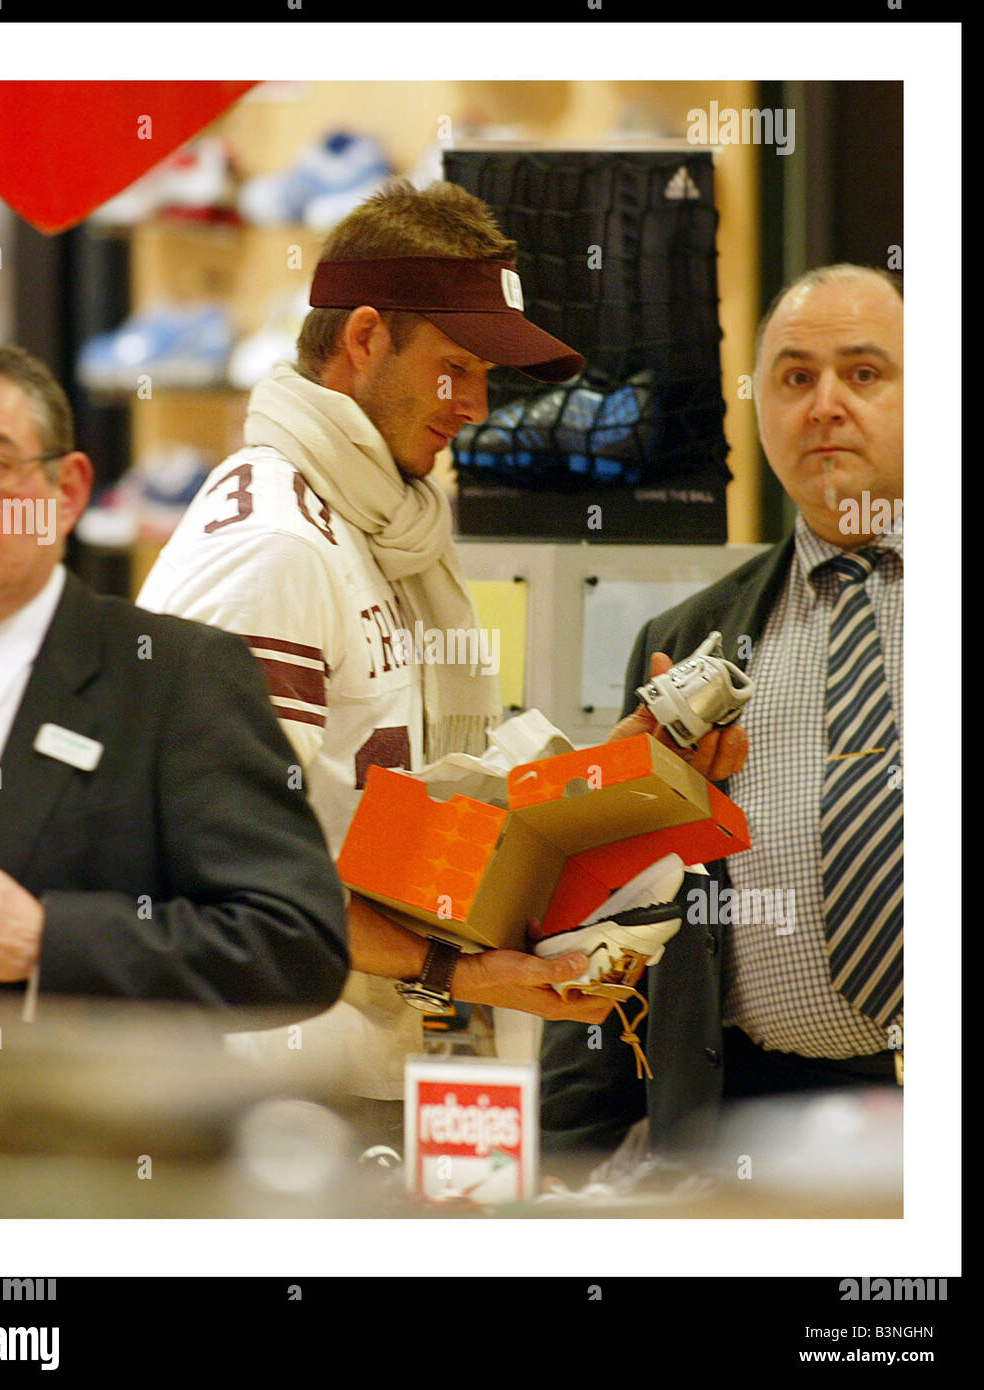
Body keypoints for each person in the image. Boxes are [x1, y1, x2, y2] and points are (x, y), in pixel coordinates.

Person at [138, 178, 627, 1122]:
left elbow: (407, 806)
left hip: (380, 1065)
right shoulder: (275, 543)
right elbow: (215, 868)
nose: (478, 406)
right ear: (364, 341)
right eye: (458, 366)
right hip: (284, 1090)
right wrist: (461, 969)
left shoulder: (376, 523)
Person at [541, 264, 904, 1160]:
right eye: (793, 377)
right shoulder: (691, 640)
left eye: (864, 374)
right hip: (753, 1117)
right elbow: (619, 905)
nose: (824, 404)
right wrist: (564, 1153)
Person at [0, 344, 349, 1015]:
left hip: (66, 1115)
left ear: (66, 492)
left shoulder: (173, 677)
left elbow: (297, 944)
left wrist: (50, 940)